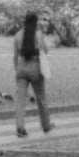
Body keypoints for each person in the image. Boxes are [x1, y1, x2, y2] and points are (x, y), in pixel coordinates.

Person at [12, 10, 52, 138]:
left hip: (21, 68)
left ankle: (20, 128)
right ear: (35, 22)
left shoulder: (18, 35)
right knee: (41, 97)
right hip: (35, 68)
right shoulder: (38, 35)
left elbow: (15, 56)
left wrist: (17, 69)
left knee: (20, 101)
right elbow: (46, 50)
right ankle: (46, 125)